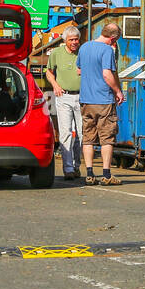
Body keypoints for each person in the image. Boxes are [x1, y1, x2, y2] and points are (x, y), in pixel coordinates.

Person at [77, 21, 125, 186]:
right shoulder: (107, 50)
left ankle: (89, 174)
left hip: (86, 100)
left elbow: (79, 70)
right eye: (115, 40)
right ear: (113, 38)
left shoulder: (84, 47)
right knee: (107, 138)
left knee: (88, 138)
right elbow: (106, 74)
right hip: (103, 100)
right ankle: (106, 175)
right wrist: (118, 91)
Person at [45, 26, 83, 180]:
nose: (74, 42)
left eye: (76, 39)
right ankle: (68, 169)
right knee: (66, 132)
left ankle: (76, 166)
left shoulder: (82, 52)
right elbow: (48, 72)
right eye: (71, 40)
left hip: (82, 97)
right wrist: (55, 85)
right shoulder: (56, 54)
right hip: (64, 97)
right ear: (65, 40)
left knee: (82, 134)